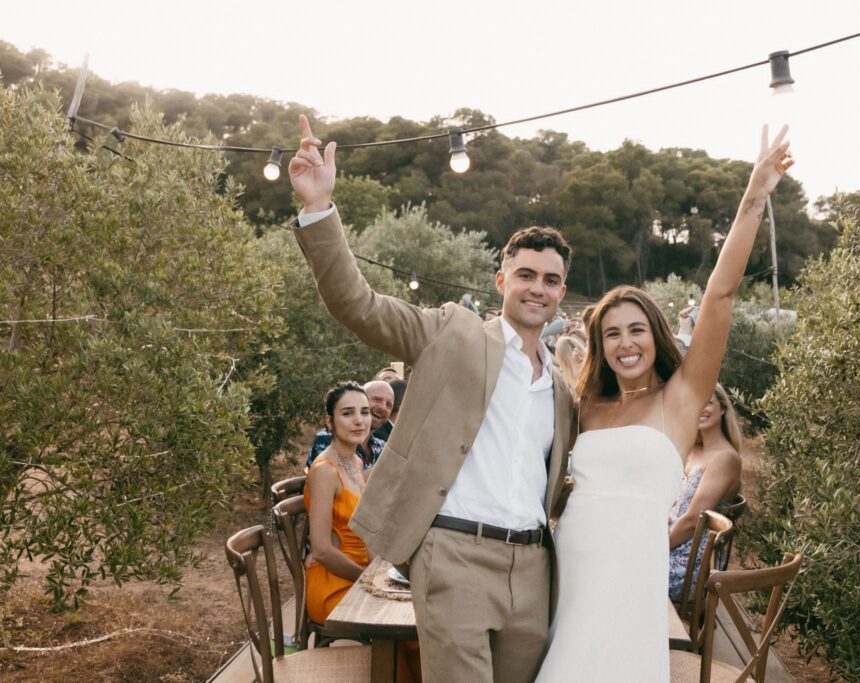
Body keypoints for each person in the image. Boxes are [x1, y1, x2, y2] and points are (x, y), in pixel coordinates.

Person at [288, 114, 574, 683]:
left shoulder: (563, 385)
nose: (537, 288)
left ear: (562, 292)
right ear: (502, 281)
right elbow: (360, 306)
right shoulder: (452, 331)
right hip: (454, 554)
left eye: (549, 280)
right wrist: (319, 208)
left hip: (533, 569)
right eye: (525, 275)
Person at [536, 125, 792, 683]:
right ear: (600, 346)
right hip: (571, 560)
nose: (625, 343)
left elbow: (720, 293)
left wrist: (755, 192)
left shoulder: (681, 398)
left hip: (634, 569)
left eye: (636, 330)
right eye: (612, 334)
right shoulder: (587, 404)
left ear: (655, 335)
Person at [304, 382, 372, 625]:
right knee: (407, 628)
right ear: (330, 422)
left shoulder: (355, 463)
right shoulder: (325, 471)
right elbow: (322, 550)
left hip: (359, 576)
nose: (359, 420)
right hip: (333, 585)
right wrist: (367, 579)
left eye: (365, 412)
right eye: (347, 413)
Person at [667, 383, 742, 602]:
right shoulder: (693, 450)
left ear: (723, 408)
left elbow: (693, 521)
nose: (700, 409)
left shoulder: (725, 458)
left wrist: (654, 549)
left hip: (691, 561)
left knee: (623, 571)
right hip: (674, 539)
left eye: (708, 403)